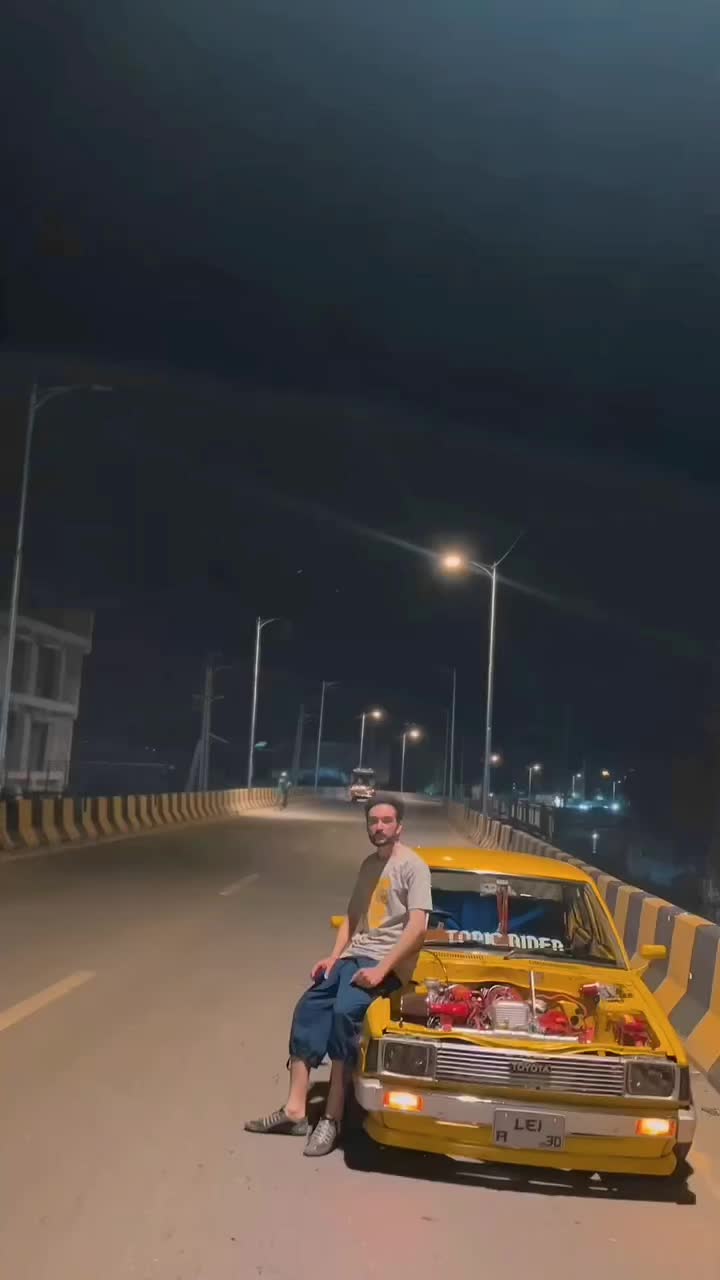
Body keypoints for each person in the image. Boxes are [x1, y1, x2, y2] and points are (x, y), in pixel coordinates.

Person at [245, 795, 432, 1156]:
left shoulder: (414, 867)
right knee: (309, 1008)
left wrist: (381, 970)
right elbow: (352, 917)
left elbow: (418, 927)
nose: (379, 827)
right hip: (353, 958)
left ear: (399, 827)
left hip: (385, 965)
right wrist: (333, 957)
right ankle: (295, 1111)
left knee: (345, 1013)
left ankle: (333, 1116)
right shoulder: (368, 865)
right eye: (373, 821)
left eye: (386, 821)